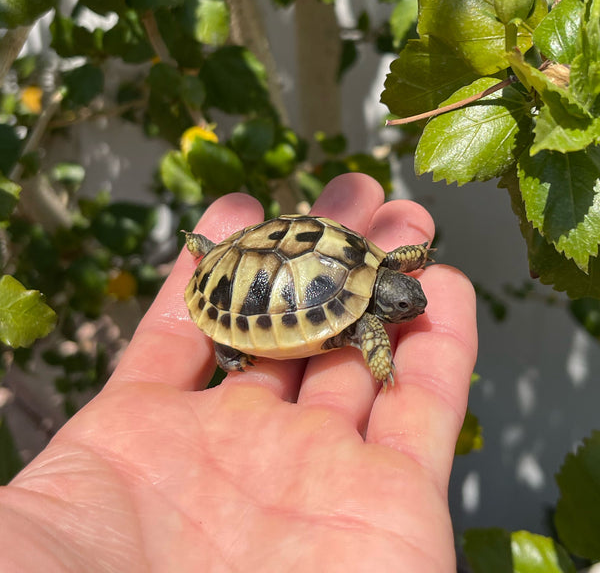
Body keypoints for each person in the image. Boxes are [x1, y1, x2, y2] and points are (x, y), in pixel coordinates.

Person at [0, 173, 477, 572]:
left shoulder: (378, 267)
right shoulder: (371, 314)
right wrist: (379, 358)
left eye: (406, 303)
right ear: (384, 303)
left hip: (299, 258)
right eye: (402, 305)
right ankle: (223, 320)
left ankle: (211, 259)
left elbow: (390, 264)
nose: (410, 308)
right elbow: (373, 318)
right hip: (254, 275)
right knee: (246, 344)